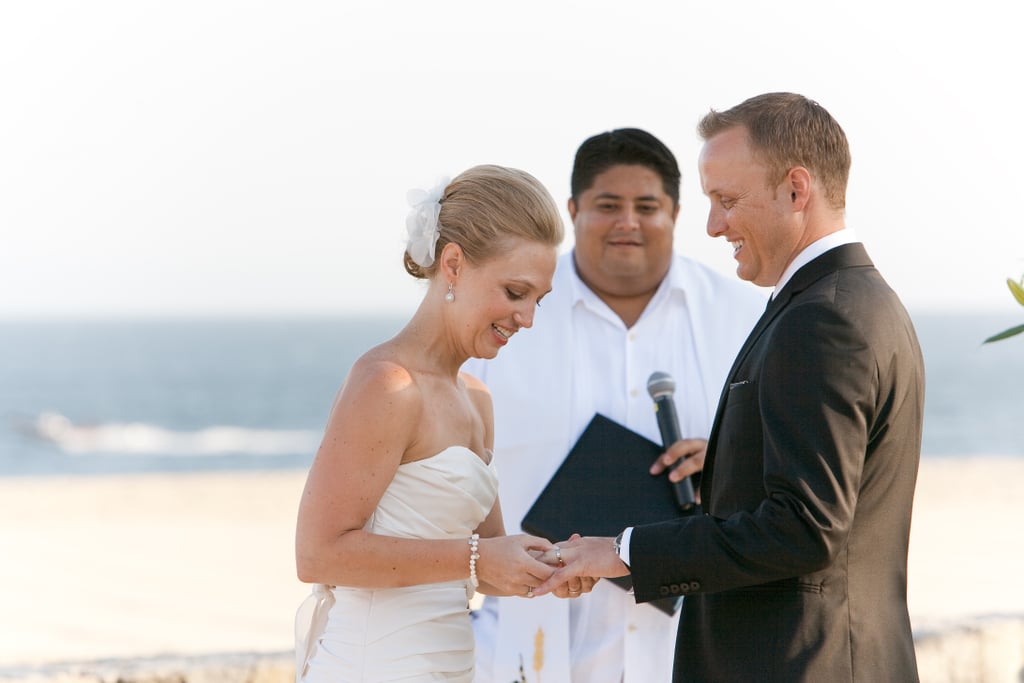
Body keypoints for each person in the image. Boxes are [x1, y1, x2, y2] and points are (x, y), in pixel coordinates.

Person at [534, 93, 925, 682]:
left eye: (727, 200)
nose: (714, 225)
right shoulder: (859, 301)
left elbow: (804, 527)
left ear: (797, 190)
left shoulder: (823, 320)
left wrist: (623, 551)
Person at [463, 129, 767, 682]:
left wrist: (729, 468)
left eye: (646, 206)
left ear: (675, 212)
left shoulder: (749, 320)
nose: (628, 222)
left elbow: (788, 484)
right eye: (608, 205)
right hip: (530, 648)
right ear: (574, 210)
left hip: (691, 647)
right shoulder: (502, 322)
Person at [293, 164, 577, 683]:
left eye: (540, 298)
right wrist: (480, 561)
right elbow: (318, 554)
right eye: (515, 292)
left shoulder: (477, 400)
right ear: (453, 265)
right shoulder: (387, 384)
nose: (529, 317)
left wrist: (554, 565)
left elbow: (487, 559)